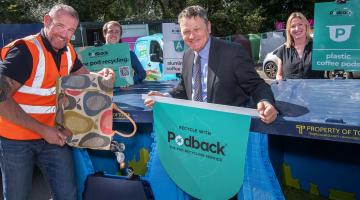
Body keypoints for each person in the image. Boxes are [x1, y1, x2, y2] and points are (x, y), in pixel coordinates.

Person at [0, 4, 113, 200]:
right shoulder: (25, 51)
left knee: (67, 194)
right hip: (15, 140)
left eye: (70, 30)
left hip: (52, 137)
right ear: (46, 21)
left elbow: (85, 78)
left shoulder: (68, 50)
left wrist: (101, 76)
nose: (64, 34)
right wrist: (43, 130)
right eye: (60, 26)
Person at [145, 5, 278, 124]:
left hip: (228, 130)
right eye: (186, 32)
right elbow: (184, 88)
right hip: (195, 128)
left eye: (196, 29)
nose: (191, 36)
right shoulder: (187, 55)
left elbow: (256, 85)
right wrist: (166, 97)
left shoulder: (233, 52)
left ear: (208, 27)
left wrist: (266, 102)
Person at [275, 12, 324, 80]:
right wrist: (280, 86)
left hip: (315, 90)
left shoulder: (318, 46)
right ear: (289, 30)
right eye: (293, 26)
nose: (297, 29)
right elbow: (279, 74)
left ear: (306, 26)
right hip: (290, 90)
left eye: (300, 24)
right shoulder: (283, 50)